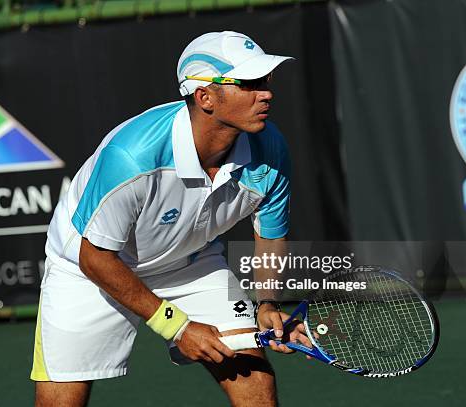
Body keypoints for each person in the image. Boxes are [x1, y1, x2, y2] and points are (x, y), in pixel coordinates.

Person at [30, 31, 311, 406]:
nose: (266, 93)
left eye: (266, 81)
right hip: (88, 266)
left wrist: (267, 304)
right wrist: (176, 326)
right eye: (249, 84)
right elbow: (94, 257)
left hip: (191, 262)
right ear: (205, 96)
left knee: (254, 381)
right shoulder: (133, 157)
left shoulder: (270, 148)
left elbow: (270, 235)